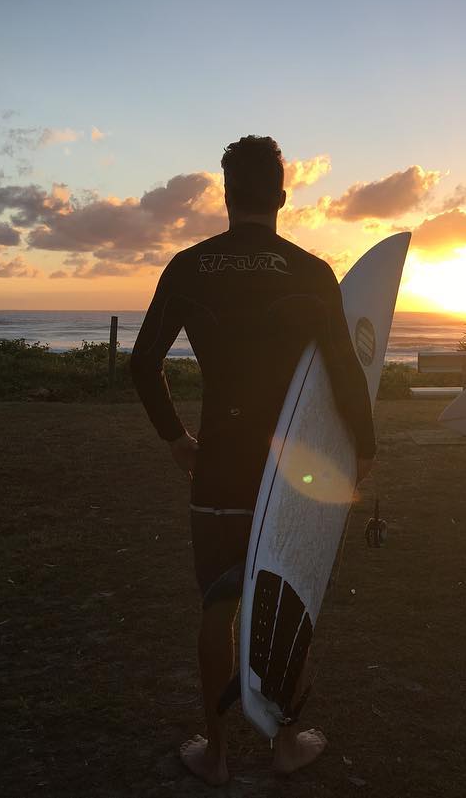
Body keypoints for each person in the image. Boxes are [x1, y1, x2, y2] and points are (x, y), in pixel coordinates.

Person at [130, 136, 376, 784]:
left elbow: (142, 362)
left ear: (226, 193)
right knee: (287, 602)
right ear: (283, 195)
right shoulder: (311, 271)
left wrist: (176, 439)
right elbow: (347, 376)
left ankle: (215, 752)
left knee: (219, 605)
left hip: (217, 465)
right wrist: (364, 449)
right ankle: (287, 742)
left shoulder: (190, 267)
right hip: (288, 474)